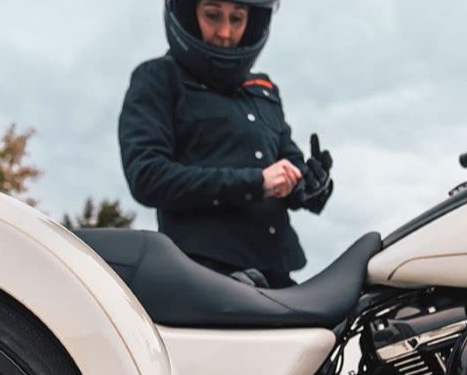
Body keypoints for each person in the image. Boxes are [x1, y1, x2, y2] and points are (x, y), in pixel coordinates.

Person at [119, 0, 334, 289]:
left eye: (237, 19)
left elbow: (288, 162)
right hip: (204, 274)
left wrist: (311, 185)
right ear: (188, 14)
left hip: (276, 273)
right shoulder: (158, 78)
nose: (224, 32)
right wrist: (254, 182)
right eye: (212, 15)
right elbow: (147, 175)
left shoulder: (264, 90)